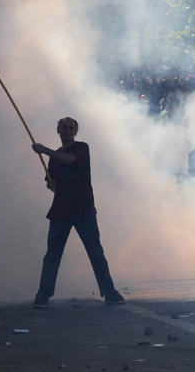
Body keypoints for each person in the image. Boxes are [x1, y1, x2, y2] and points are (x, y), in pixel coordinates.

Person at [31, 117, 125, 308]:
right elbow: (53, 184)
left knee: (95, 251)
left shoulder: (81, 148)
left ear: (75, 131)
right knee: (52, 254)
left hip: (83, 209)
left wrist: (44, 150)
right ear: (58, 130)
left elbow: (69, 160)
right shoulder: (54, 157)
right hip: (60, 210)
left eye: (70, 128)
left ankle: (110, 292)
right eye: (64, 127)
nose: (67, 130)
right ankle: (43, 294)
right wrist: (51, 184)